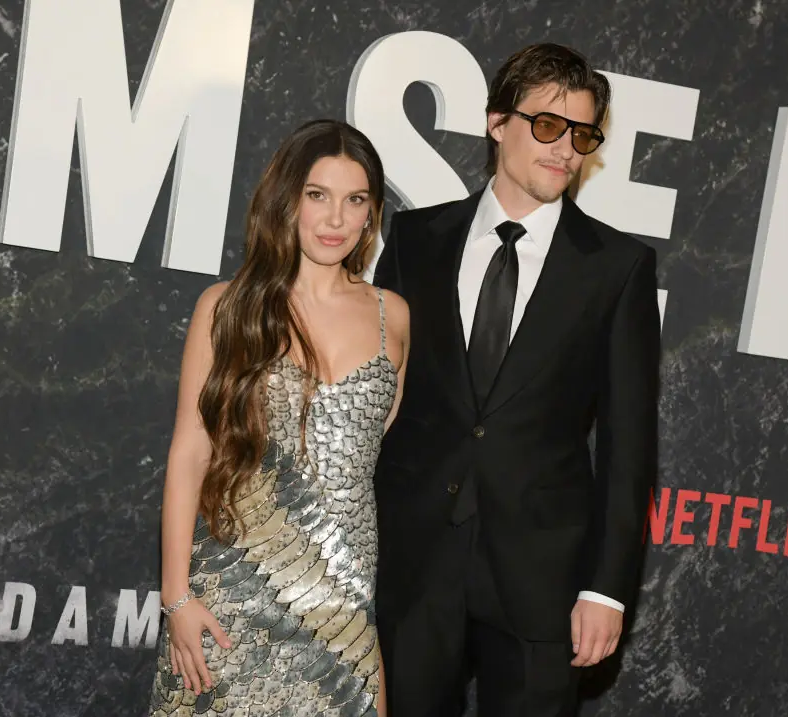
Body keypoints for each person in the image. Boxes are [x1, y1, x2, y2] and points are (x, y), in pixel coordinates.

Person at [371, 43, 661, 716]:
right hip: (416, 561)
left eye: (583, 135)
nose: (566, 150)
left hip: (543, 577)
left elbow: (628, 445)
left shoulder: (616, 269)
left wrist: (607, 589)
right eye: (548, 126)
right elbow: (377, 401)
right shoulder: (416, 239)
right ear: (497, 123)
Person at [146, 119, 408, 717]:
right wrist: (177, 596)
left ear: (371, 215)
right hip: (233, 597)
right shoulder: (227, 307)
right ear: (287, 201)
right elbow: (190, 454)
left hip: (343, 610)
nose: (336, 218)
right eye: (318, 195)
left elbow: (367, 453)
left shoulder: (392, 317)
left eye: (355, 200)